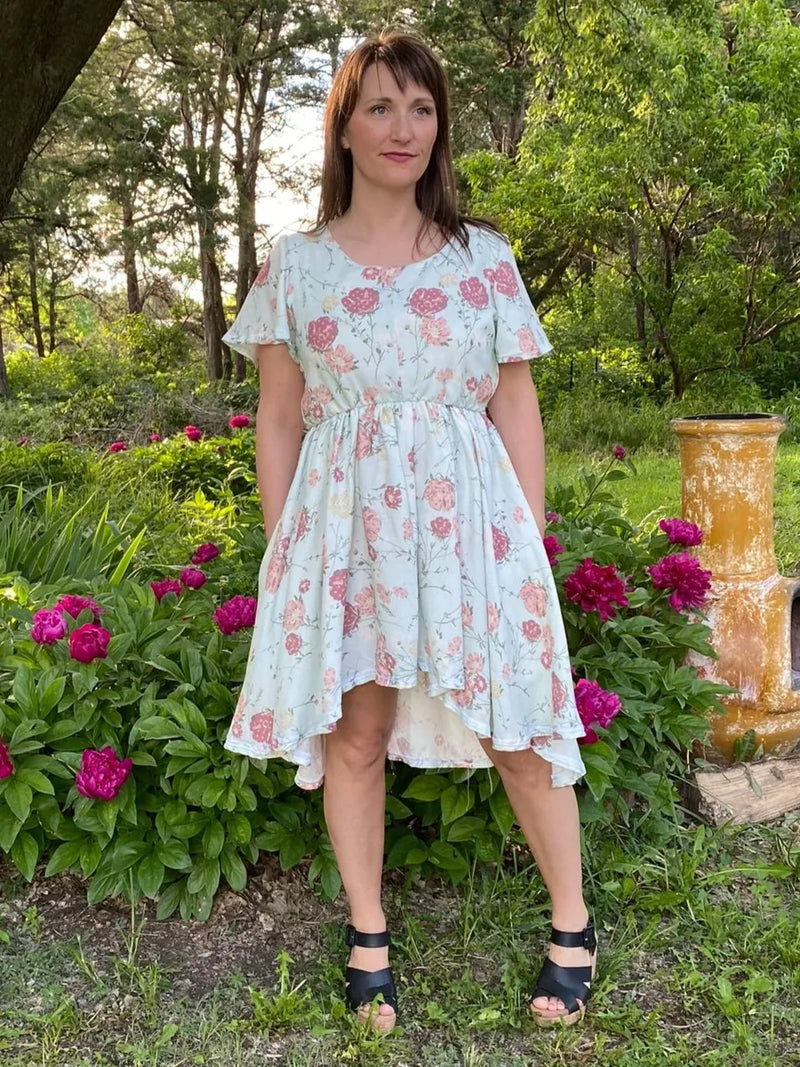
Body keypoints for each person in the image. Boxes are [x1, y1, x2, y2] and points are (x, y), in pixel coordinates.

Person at [221, 30, 597, 1033]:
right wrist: (282, 551)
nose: (402, 129)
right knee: (355, 732)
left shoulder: (485, 258)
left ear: (440, 125)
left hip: (470, 521)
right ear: (342, 126)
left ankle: (571, 919)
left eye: (420, 108)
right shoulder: (296, 267)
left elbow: (515, 402)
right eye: (379, 107)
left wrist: (521, 537)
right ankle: (367, 929)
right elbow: (279, 419)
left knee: (514, 718)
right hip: (341, 529)